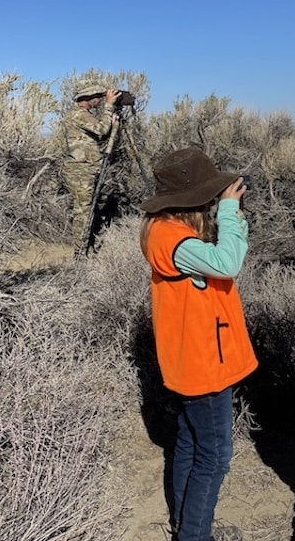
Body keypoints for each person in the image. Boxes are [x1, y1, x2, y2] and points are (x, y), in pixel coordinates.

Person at [139, 148, 258, 541]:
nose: (214, 199)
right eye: (208, 195)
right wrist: (228, 212)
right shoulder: (171, 239)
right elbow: (228, 263)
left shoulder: (170, 231)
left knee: (190, 445)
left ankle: (187, 528)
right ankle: (194, 535)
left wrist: (228, 213)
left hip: (196, 357)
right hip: (201, 364)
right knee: (214, 456)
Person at [61, 83, 121, 254]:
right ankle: (80, 254)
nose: (100, 100)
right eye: (98, 96)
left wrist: (113, 122)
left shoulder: (83, 115)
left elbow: (100, 134)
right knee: (84, 212)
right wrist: (109, 106)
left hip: (86, 168)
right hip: (81, 170)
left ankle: (87, 246)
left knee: (87, 209)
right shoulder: (79, 115)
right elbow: (101, 129)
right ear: (87, 97)